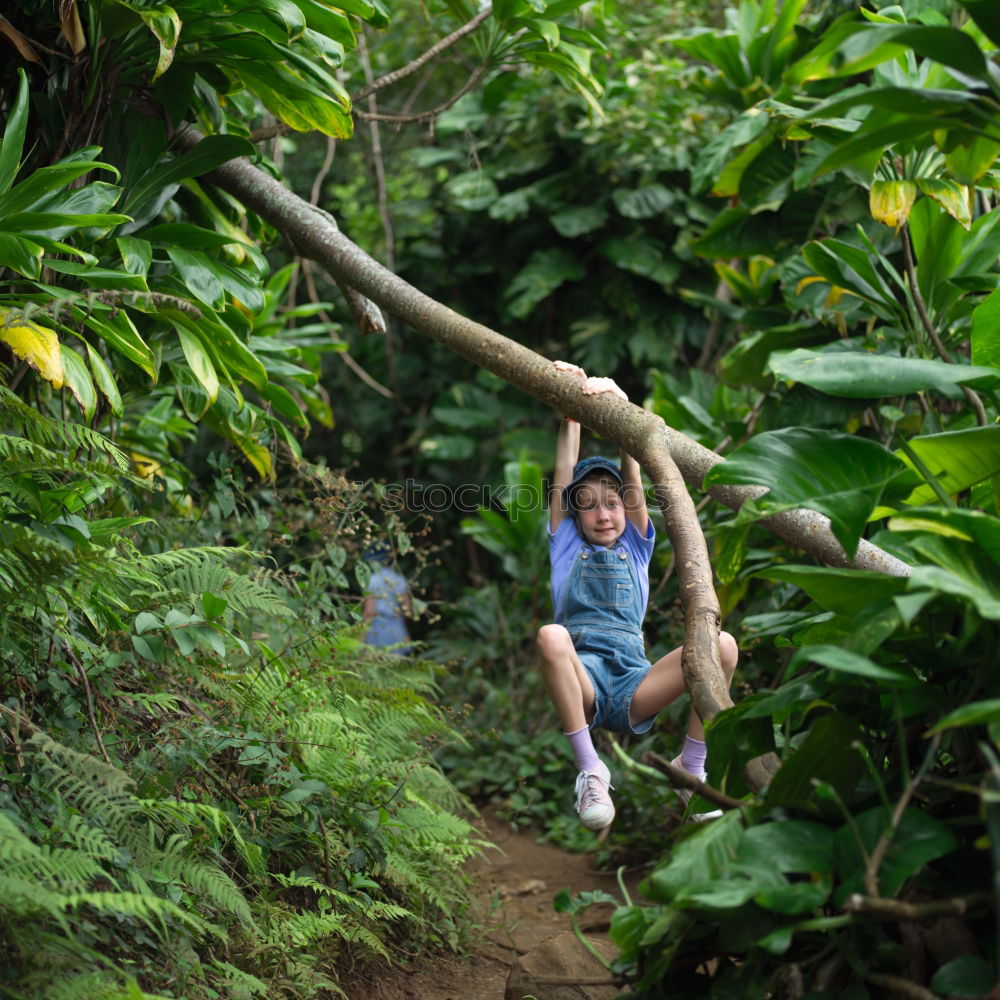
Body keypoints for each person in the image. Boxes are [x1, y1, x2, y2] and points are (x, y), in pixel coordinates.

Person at [536, 361, 739, 831]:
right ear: (574, 516)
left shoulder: (636, 542)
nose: (603, 515)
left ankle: (691, 766)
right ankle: (591, 768)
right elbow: (565, 471)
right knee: (550, 635)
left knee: (722, 646)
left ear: (627, 508)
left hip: (633, 684)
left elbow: (633, 471)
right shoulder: (567, 545)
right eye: (588, 507)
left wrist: (620, 406)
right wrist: (572, 410)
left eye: (612, 504)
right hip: (583, 679)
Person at [362, 540, 413, 655]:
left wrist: (361, 637)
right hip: (397, 627)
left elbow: (369, 612)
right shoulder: (399, 580)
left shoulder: (371, 580)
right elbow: (407, 610)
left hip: (377, 628)